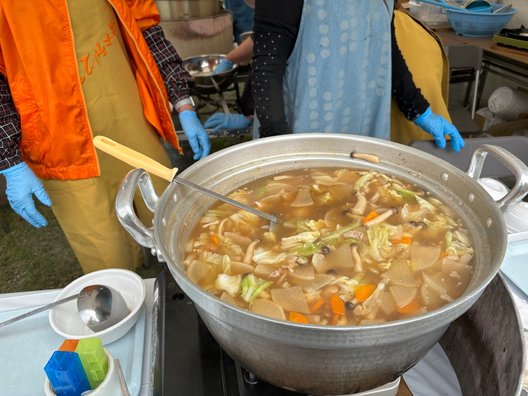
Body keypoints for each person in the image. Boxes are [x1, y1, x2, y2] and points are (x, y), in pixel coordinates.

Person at [0, 0, 211, 274]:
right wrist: (8, 160)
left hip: (130, 125)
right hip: (63, 148)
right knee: (109, 261)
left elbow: (147, 31)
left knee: (176, 230)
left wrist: (183, 101)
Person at [251, 0, 464, 152]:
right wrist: (277, 140)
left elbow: (387, 49)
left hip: (363, 127)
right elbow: (267, 69)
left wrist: (419, 110)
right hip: (300, 135)